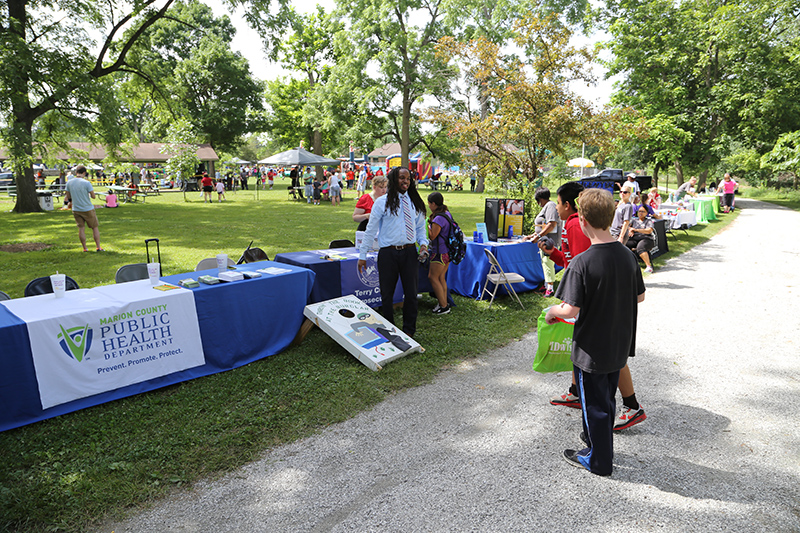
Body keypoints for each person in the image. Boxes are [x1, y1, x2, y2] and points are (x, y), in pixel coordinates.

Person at [546, 188, 645, 476]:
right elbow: (639, 296)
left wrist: (552, 312)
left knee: (594, 404)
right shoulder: (627, 256)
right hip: (619, 342)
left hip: (591, 348)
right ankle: (594, 439)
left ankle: (598, 460)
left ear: (582, 222)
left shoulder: (581, 263)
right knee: (606, 399)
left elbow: (570, 310)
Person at [357, 166, 428, 337]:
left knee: (411, 294)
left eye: (408, 178)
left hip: (410, 253)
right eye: (402, 178)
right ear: (393, 179)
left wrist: (423, 244)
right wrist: (362, 255)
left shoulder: (414, 202)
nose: (405, 181)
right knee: (386, 295)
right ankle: (389, 331)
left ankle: (409, 332)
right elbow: (371, 230)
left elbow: (420, 228)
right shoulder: (382, 202)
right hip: (388, 254)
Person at [525, 187, 562, 297]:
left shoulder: (550, 206)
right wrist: (533, 235)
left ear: (540, 199)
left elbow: (551, 224)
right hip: (544, 240)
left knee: (548, 264)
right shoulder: (547, 206)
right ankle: (546, 285)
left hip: (550, 241)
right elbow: (543, 225)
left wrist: (539, 236)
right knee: (545, 264)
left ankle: (550, 289)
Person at [64, 165, 103, 252]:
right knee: (95, 227)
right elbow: (93, 196)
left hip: (76, 208)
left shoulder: (69, 182)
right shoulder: (86, 183)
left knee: (81, 228)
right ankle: (98, 247)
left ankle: (85, 248)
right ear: (84, 173)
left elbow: (68, 196)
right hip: (87, 208)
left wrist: (72, 200)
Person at [427, 192, 453, 315]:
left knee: (433, 277)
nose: (428, 206)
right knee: (441, 277)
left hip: (439, 252)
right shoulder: (447, 213)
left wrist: (428, 225)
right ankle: (444, 303)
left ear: (433, 204)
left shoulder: (438, 218)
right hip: (447, 252)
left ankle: (443, 306)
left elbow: (432, 236)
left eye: (429, 204)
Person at [626, 206, 656, 273]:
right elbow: (628, 227)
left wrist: (636, 230)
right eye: (639, 211)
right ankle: (627, 264)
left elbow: (649, 230)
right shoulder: (634, 220)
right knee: (624, 244)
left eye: (643, 211)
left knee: (640, 247)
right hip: (635, 239)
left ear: (646, 213)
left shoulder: (648, 221)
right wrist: (630, 230)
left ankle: (649, 266)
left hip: (647, 239)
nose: (640, 213)